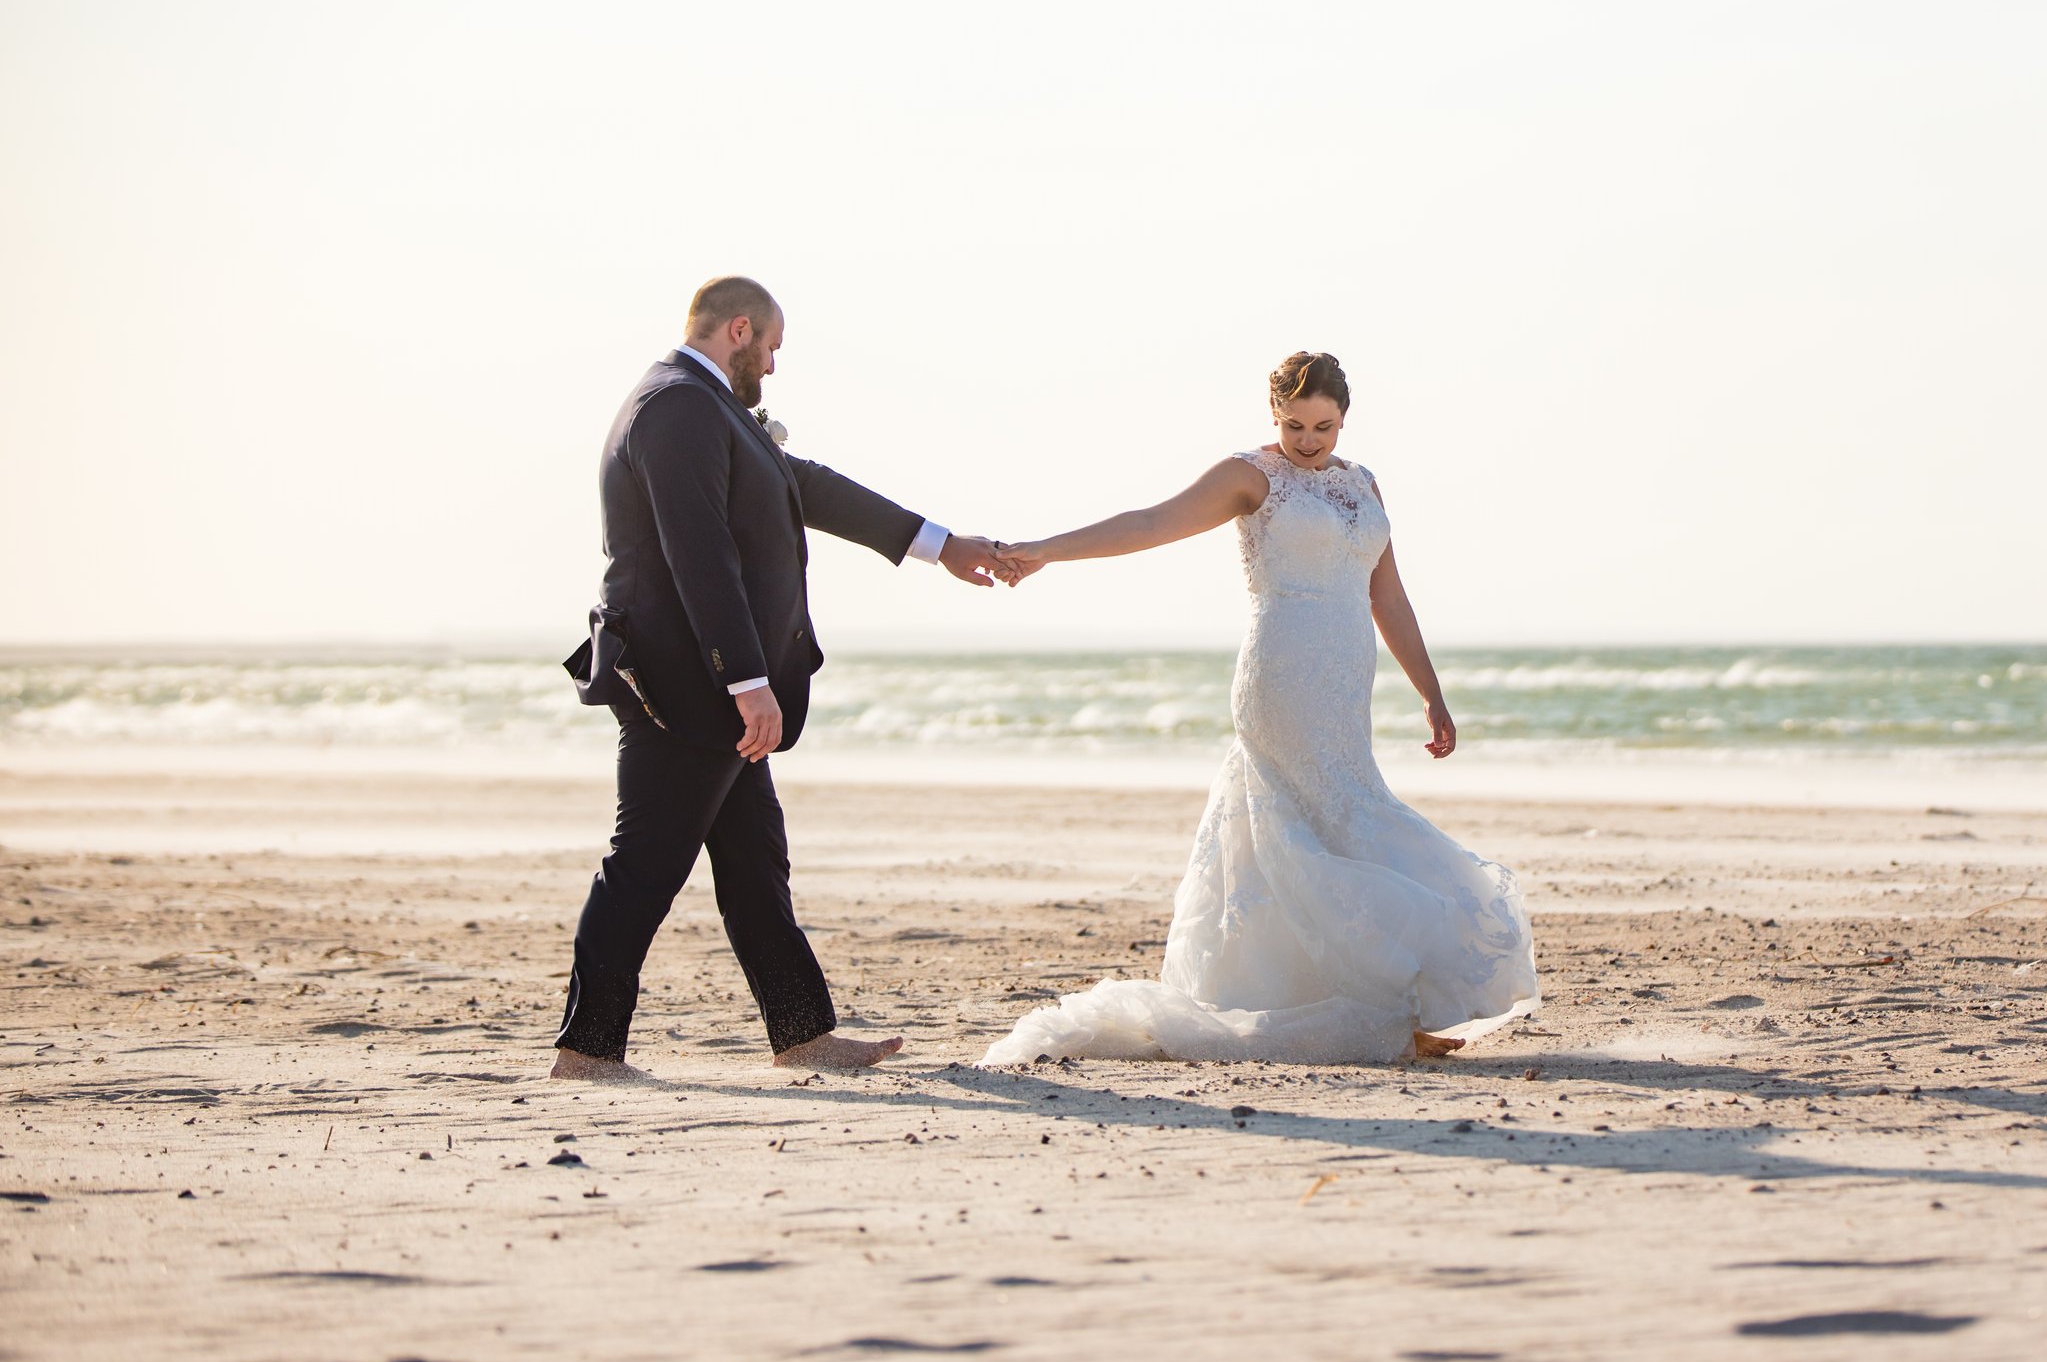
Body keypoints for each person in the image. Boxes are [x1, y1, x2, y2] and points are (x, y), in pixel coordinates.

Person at [982, 352, 1537, 1064]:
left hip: (1344, 685)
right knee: (1310, 820)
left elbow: (1387, 596)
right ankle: (1376, 1008)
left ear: (1345, 417)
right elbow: (1151, 521)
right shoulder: (1251, 475)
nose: (1309, 440)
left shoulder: (1362, 483)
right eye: (1295, 424)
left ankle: (1385, 1005)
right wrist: (1046, 551)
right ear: (1273, 415)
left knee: (1343, 815)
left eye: (1325, 426)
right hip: (1281, 675)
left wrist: (1431, 691)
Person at [551, 275, 1016, 1079]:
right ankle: (588, 1050)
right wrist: (745, 679)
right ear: (739, 330)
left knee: (757, 865)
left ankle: (802, 1036)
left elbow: (806, 486)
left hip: (711, 693)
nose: (772, 365)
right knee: (645, 866)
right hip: (684, 691)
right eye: (770, 348)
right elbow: (699, 553)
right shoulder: (675, 408)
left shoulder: (709, 410)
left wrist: (942, 544)